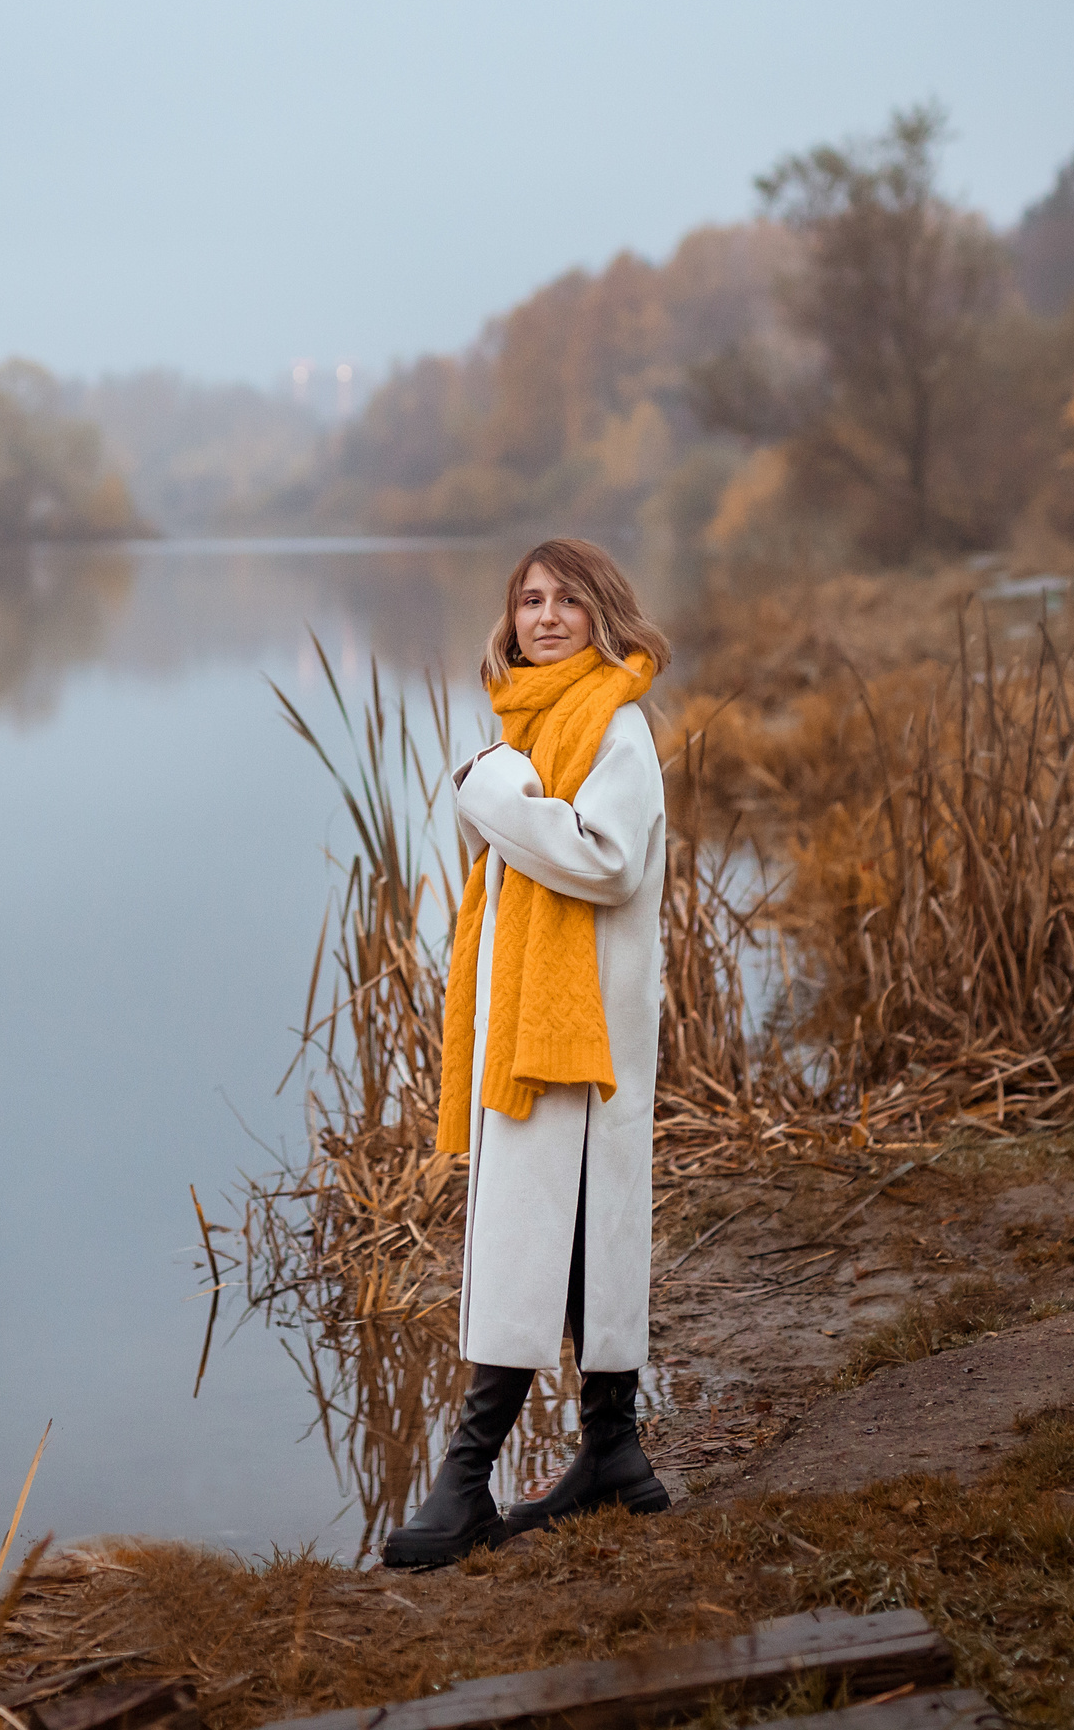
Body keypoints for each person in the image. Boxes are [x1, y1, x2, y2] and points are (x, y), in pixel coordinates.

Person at [381, 536, 674, 1570]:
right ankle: (614, 1453)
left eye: (566, 600)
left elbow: (600, 859)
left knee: (530, 1236)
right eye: (528, 600)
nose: (543, 617)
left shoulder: (615, 725)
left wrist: (491, 790)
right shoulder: (535, 724)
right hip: (540, 1026)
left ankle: (466, 1481)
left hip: (577, 1030)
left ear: (604, 612)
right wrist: (500, 786)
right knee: (578, 1232)